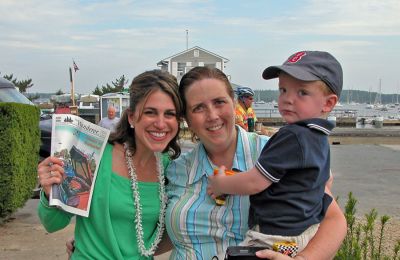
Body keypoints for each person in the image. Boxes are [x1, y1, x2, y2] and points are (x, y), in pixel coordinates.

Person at [165, 66, 346, 260]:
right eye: (198, 108)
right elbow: (160, 235)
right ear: (187, 120)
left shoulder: (276, 152)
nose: (212, 115)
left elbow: (334, 220)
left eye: (219, 102)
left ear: (234, 104)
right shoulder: (176, 170)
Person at [207, 50, 343, 255]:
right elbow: (325, 182)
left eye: (302, 92)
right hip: (306, 232)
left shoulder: (292, 136)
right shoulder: (318, 138)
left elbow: (255, 182)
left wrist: (221, 183)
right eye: (283, 90)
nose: (288, 99)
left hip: (274, 236)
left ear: (328, 103)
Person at [37, 69, 183, 259]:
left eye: (170, 114)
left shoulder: (171, 168)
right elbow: (53, 223)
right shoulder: (93, 155)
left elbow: (174, 233)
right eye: (150, 112)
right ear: (131, 117)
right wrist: (50, 193)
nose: (161, 123)